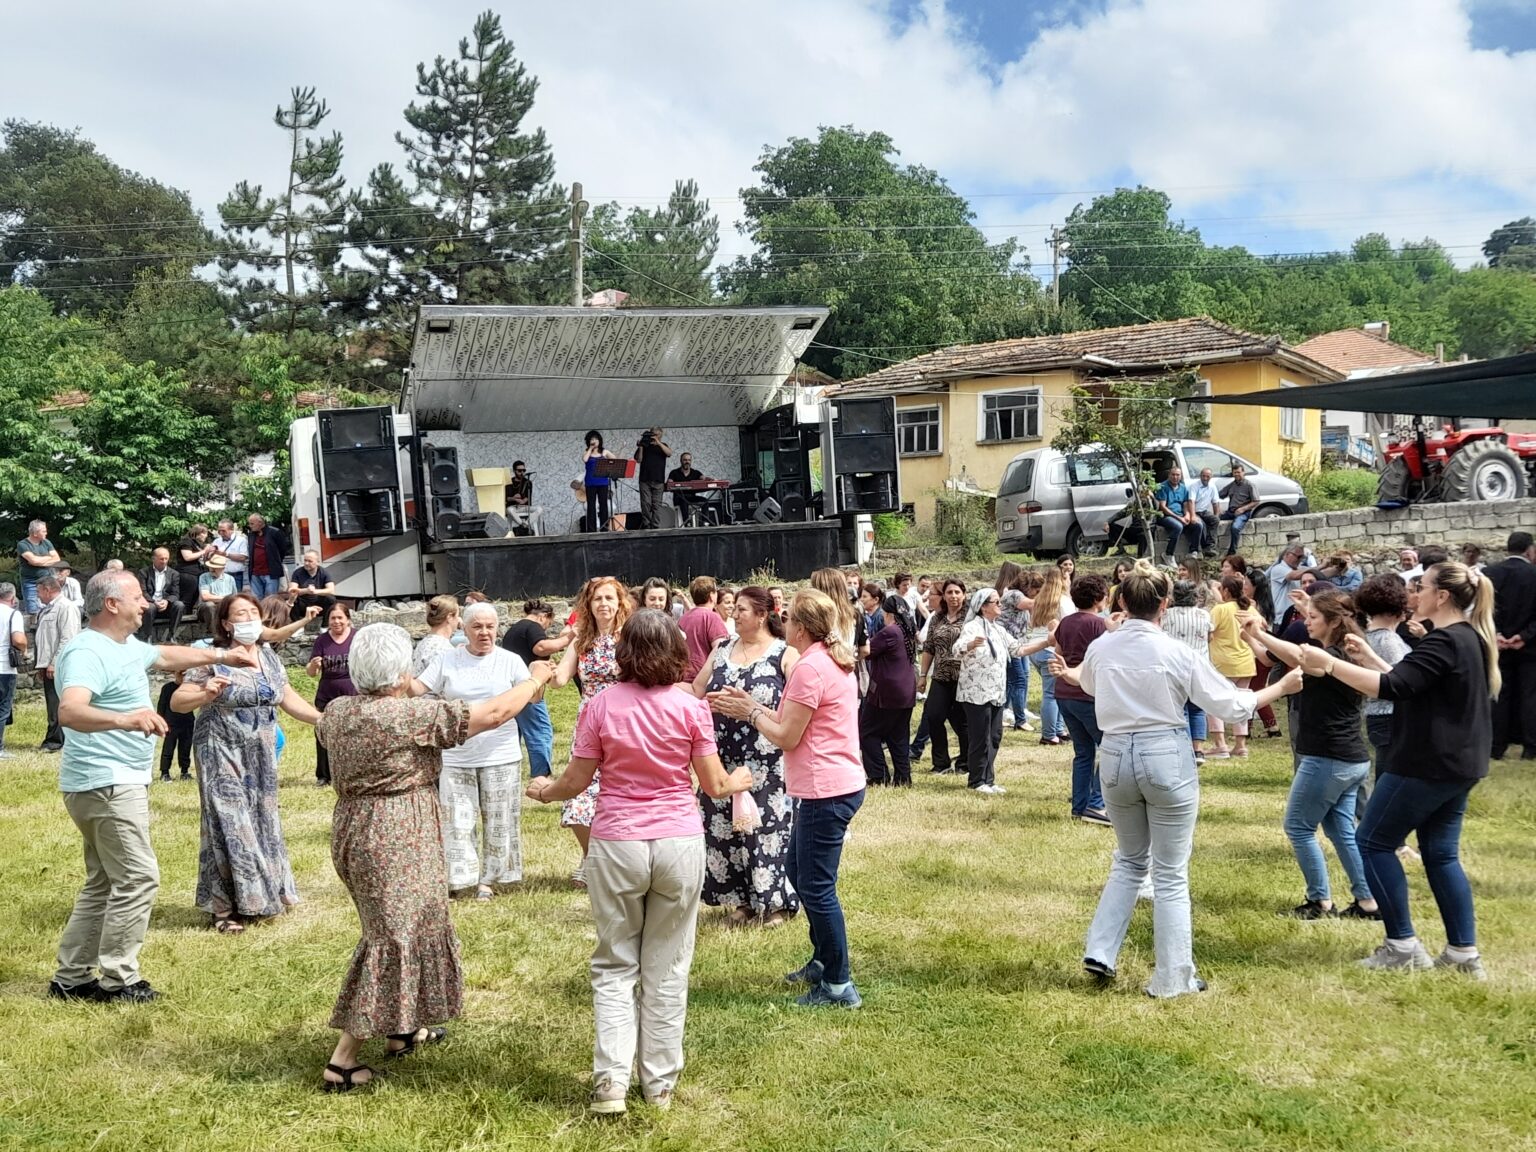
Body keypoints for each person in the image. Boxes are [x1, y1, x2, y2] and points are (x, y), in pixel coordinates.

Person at [315, 622, 553, 1090]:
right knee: (394, 936)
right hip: (398, 833)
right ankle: (342, 1061)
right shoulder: (407, 716)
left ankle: (403, 1029)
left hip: (355, 827)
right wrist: (534, 679)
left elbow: (319, 724)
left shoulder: (340, 710)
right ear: (402, 672)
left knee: (411, 924)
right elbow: (494, 713)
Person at [530, 610, 751, 1113]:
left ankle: (611, 1081)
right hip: (678, 841)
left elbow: (576, 781)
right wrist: (739, 781)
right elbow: (714, 784)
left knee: (614, 964)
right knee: (667, 966)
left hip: (617, 842)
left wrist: (544, 791)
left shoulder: (601, 705)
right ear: (677, 652)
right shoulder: (690, 707)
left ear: (623, 652)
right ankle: (659, 1085)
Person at [1051, 561, 1301, 998]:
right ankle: (1171, 977)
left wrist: (1088, 666)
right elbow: (1228, 704)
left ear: (1122, 601)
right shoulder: (1175, 651)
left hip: (1116, 754)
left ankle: (1101, 950)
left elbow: (1089, 684)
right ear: (1164, 605)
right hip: (1163, 751)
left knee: (1129, 860)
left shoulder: (1104, 647)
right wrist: (1280, 688)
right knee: (1168, 873)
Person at [49, 569, 259, 1004]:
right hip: (106, 782)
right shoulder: (86, 651)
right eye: (138, 597)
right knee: (138, 878)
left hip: (110, 782)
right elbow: (70, 711)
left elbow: (165, 655)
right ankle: (120, 980)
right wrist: (127, 719)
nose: (145, 603)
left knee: (105, 882)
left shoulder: (125, 646)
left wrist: (223, 656)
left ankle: (70, 979)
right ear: (112, 604)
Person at [1295, 562, 1496, 977]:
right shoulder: (1468, 638)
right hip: (1459, 762)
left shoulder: (1443, 641)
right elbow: (1410, 683)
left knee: (1371, 842)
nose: (1412, 595)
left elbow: (1392, 688)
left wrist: (1329, 663)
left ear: (1442, 596)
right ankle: (1463, 954)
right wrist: (1369, 656)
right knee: (1440, 854)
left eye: (1420, 587)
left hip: (1426, 762)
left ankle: (1401, 946)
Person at [710, 589, 867, 1009]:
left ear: (801, 627)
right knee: (798, 873)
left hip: (825, 790)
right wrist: (751, 703)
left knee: (817, 888)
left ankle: (839, 985)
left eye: (790, 617)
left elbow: (786, 736)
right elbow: (787, 719)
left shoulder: (810, 667)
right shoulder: (827, 659)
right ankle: (823, 961)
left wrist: (748, 713)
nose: (785, 623)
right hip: (834, 784)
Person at [173, 592, 322, 933]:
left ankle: (266, 893)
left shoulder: (268, 656)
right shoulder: (213, 657)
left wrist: (322, 719)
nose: (249, 618)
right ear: (226, 623)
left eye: (253, 612)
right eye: (241, 614)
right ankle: (225, 909)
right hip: (220, 750)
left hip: (261, 756)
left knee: (261, 819)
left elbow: (287, 698)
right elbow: (179, 701)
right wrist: (205, 693)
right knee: (231, 822)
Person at [1243, 594, 1380, 921]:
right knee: (1341, 830)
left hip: (1328, 758)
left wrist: (1259, 633)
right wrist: (1255, 634)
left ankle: (1320, 902)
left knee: (1298, 826)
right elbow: (1295, 653)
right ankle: (1368, 902)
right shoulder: (1346, 652)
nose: (1306, 621)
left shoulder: (1330, 657)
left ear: (1333, 622)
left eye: (1313, 617)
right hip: (1350, 757)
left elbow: (1298, 655)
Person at [681, 586, 800, 925]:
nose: (734, 614)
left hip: (766, 758)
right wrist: (657, 687)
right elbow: (696, 689)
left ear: (762, 615)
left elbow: (796, 707)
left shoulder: (785, 654)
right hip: (721, 755)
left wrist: (753, 709)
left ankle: (776, 903)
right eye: (733, 608)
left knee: (766, 828)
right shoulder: (721, 649)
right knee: (724, 827)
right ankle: (743, 900)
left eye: (742, 609)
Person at [415, 602, 539, 900]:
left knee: (499, 820)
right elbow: (418, 689)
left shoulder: (510, 661)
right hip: (456, 754)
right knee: (457, 820)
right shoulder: (447, 659)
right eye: (477, 627)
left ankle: (489, 880)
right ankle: (460, 879)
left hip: (500, 753)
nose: (484, 632)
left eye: (490, 627)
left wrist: (538, 676)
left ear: (497, 629)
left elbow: (533, 697)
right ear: (465, 629)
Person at [554, 576, 631, 884]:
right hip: (589, 723)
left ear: (620, 603)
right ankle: (591, 857)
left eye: (609, 598)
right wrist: (539, 672)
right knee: (579, 794)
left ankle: (620, 860)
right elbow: (560, 678)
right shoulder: (581, 640)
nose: (603, 604)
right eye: (598, 598)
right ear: (589, 604)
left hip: (624, 722)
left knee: (620, 792)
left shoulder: (629, 638)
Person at [953, 587, 1054, 793]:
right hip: (976, 692)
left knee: (995, 736)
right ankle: (976, 781)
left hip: (996, 692)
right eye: (996, 602)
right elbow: (956, 649)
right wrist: (971, 645)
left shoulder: (998, 629)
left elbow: (1018, 649)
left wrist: (1046, 642)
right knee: (980, 737)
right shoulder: (972, 627)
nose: (1000, 605)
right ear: (983, 607)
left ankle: (988, 779)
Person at [1053, 574, 1111, 824]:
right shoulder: (1100, 625)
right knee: (1110, 748)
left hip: (1064, 693)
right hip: (1088, 692)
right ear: (1099, 599)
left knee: (1083, 752)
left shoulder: (1066, 622)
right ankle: (1097, 804)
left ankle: (1079, 806)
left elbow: (1058, 651)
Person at [501, 600, 570, 779]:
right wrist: (568, 639)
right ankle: (541, 775)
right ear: (543, 617)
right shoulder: (533, 626)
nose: (546, 629)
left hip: (510, 690)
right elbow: (541, 647)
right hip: (529, 691)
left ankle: (509, 773)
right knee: (540, 732)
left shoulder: (513, 630)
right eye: (548, 624)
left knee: (513, 732)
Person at [1486, 530, 1536, 760]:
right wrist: (1523, 636)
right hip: (1530, 645)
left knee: (1499, 693)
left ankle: (1496, 745)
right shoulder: (1533, 574)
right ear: (1529, 550)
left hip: (1498, 644)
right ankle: (1530, 747)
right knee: (1530, 694)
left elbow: (1483, 610)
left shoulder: (1489, 573)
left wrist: (1496, 634)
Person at [861, 592, 918, 787]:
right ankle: (903, 777)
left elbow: (867, 651)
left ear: (888, 614)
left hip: (887, 692)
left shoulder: (890, 632)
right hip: (905, 691)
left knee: (867, 732)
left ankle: (879, 775)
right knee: (898, 736)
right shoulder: (907, 630)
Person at [918, 579, 971, 776]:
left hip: (963, 677)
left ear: (964, 595)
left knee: (962, 721)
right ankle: (941, 763)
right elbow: (929, 648)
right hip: (941, 676)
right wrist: (923, 675)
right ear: (944, 596)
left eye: (957, 592)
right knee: (933, 715)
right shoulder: (937, 618)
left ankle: (965, 761)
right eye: (949, 592)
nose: (953, 596)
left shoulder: (971, 618)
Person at [1206, 574, 1260, 760]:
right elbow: (1262, 626)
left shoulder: (1220, 609)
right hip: (1246, 661)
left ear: (1226, 591)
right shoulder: (1249, 609)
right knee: (1242, 703)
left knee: (1214, 702)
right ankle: (1240, 745)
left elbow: (1208, 632)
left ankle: (1220, 744)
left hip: (1223, 662)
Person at [1161, 581, 1215, 763]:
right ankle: (1198, 749)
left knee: (1180, 707)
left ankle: (1184, 746)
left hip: (1175, 666)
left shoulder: (1167, 615)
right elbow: (1210, 637)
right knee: (1198, 708)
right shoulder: (1204, 614)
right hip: (1199, 665)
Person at [306, 603, 357, 786]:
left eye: (340, 618)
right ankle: (324, 775)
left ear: (347, 619)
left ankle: (351, 771)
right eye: (333, 618)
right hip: (327, 694)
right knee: (323, 732)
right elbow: (311, 673)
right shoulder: (322, 640)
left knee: (352, 733)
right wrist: (314, 665)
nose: (336, 622)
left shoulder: (357, 637)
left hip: (353, 694)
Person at [33, 575, 80, 753]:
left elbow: (68, 638)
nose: (37, 595)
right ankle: (55, 738)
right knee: (52, 703)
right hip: (48, 665)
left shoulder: (66, 607)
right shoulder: (48, 609)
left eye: (39, 591)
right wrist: (41, 664)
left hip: (60, 665)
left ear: (47, 590)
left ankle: (55, 741)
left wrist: (54, 663)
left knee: (57, 703)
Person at [1025, 566, 1070, 745]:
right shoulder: (1063, 600)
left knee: (1053, 692)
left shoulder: (1039, 599)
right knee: (1051, 694)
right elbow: (1070, 622)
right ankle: (1049, 734)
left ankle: (1058, 729)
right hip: (1051, 649)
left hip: (1035, 648)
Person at [679, 575, 727, 680]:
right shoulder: (712, 617)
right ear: (711, 596)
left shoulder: (683, 618)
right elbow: (721, 649)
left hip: (683, 675)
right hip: (703, 678)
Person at [1155, 466, 1204, 562]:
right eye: (1173, 474)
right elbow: (1163, 507)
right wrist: (1179, 518)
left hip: (1180, 515)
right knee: (1178, 526)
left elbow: (1185, 504)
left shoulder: (1183, 488)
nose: (1175, 477)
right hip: (1165, 516)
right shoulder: (1163, 487)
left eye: (1177, 475)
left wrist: (1187, 515)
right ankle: (1168, 554)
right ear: (1169, 475)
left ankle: (1193, 552)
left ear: (1181, 476)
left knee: (1198, 525)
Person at [136, 548, 184, 641]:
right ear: (153, 559)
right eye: (161, 559)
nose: (164, 561)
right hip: (151, 603)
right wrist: (153, 601)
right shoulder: (144, 572)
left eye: (166, 558)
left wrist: (167, 601)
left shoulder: (174, 574)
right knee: (150, 607)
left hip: (166, 605)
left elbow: (175, 594)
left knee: (179, 605)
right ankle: (147, 637)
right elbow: (143, 592)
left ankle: (172, 636)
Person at [633, 426, 673, 530]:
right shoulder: (645, 445)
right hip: (644, 480)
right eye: (652, 434)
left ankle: (655, 527)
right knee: (645, 504)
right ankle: (647, 525)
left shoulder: (663, 445)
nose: (653, 436)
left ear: (660, 435)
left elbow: (669, 453)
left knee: (657, 505)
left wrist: (658, 443)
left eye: (655, 434)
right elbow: (638, 460)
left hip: (659, 480)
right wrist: (641, 447)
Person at [18, 520, 62, 613]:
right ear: (35, 533)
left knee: (52, 606)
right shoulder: (23, 544)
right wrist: (48, 558)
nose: (46, 533)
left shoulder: (46, 542)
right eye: (43, 531)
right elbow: (34, 561)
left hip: (47, 579)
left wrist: (39, 561)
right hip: (30, 582)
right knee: (32, 609)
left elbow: (57, 558)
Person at [0, 583, 24, 758]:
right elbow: (18, 639)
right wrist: (24, 649)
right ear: (12, 597)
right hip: (4, 667)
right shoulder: (13, 614)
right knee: (3, 708)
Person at [155, 674, 194, 782]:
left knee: (185, 748)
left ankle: (185, 772)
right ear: (175, 673)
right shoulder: (167, 688)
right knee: (168, 748)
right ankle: (165, 772)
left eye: (185, 673)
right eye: (180, 673)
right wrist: (160, 722)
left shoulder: (189, 687)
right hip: (171, 724)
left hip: (187, 722)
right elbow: (161, 705)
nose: (182, 675)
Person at [1266, 543, 1313, 627]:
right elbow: (1294, 575)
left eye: (1302, 557)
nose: (1300, 560)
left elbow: (1320, 573)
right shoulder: (1278, 568)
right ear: (1287, 554)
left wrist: (1333, 568)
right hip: (1282, 621)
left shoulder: (1299, 569)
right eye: (1298, 557)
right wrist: (1320, 567)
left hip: (1295, 619)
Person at [413, 596, 461, 676]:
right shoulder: (444, 650)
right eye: (457, 616)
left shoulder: (423, 643)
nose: (459, 619)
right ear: (449, 617)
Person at [245, 514, 289, 600]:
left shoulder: (275, 532)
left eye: (252, 523)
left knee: (271, 599)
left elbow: (283, 549)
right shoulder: (251, 535)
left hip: (270, 572)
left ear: (260, 522)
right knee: (256, 599)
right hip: (255, 573)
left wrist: (275, 561)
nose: (250, 526)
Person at [1220, 464, 1260, 556]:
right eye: (1235, 473)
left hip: (1244, 513)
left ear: (1243, 472)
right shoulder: (1232, 485)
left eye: (1238, 472)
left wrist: (1243, 509)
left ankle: (1232, 552)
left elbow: (1256, 501)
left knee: (1235, 527)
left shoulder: (1250, 485)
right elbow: (1219, 495)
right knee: (1213, 519)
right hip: (1231, 512)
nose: (1236, 474)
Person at [175, 524, 214, 615]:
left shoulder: (198, 544)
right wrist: (204, 551)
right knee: (186, 598)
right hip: (187, 573)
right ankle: (181, 617)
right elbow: (187, 557)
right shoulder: (186, 541)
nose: (206, 536)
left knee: (193, 599)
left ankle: (188, 615)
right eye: (204, 533)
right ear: (198, 533)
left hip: (198, 574)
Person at [583, 430, 617, 533]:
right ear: (588, 441)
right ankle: (591, 530)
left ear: (599, 440)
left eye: (596, 439)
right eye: (592, 439)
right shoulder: (586, 452)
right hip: (590, 483)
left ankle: (604, 528)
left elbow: (615, 460)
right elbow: (585, 459)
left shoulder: (604, 452)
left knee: (603, 505)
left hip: (603, 482)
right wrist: (590, 449)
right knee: (591, 506)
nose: (594, 441)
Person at [287, 551, 337, 621]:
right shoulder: (297, 572)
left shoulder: (324, 572)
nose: (306, 563)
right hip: (303, 604)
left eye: (310, 561)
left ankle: (325, 625)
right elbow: (292, 590)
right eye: (305, 560)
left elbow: (331, 590)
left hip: (319, 604)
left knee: (331, 599)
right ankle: (297, 625)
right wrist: (306, 591)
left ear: (317, 562)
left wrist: (315, 591)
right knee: (293, 599)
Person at [195, 554, 237, 631]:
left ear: (223, 568)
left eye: (215, 568)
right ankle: (213, 632)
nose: (212, 569)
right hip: (206, 609)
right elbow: (205, 597)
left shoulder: (230, 579)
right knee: (209, 605)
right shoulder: (204, 577)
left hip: (223, 607)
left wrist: (221, 600)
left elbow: (234, 598)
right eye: (210, 567)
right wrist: (225, 598)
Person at [503, 460, 544, 536]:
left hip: (525, 506)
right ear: (514, 471)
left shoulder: (528, 482)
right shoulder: (509, 482)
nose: (522, 472)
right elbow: (506, 498)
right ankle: (523, 524)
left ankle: (525, 524)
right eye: (519, 471)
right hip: (513, 507)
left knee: (540, 509)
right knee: (509, 510)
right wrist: (514, 498)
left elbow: (528, 497)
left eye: (523, 470)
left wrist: (522, 501)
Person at [209, 520, 249, 591]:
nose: (221, 533)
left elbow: (243, 557)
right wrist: (210, 553)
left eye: (223, 531)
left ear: (231, 530)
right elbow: (210, 557)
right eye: (219, 531)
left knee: (235, 597)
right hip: (219, 575)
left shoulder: (241, 540)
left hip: (235, 576)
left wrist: (226, 554)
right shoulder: (217, 541)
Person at [1190, 467, 1222, 556]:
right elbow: (1191, 501)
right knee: (1201, 525)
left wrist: (1216, 515)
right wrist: (1193, 515)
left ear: (1211, 477)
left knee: (1215, 520)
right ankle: (1201, 549)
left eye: (1207, 476)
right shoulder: (1194, 486)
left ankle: (1210, 547)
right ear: (1200, 476)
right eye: (1203, 476)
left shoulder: (1212, 486)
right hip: (1195, 511)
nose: (1205, 478)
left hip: (1204, 511)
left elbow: (1215, 503)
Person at [668, 451, 706, 522]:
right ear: (681, 461)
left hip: (691, 498)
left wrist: (709, 479)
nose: (687, 462)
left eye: (689, 460)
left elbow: (704, 479)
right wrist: (671, 483)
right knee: (684, 501)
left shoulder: (695, 472)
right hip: (679, 498)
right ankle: (686, 524)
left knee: (705, 501)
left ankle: (705, 523)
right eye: (685, 460)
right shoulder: (674, 472)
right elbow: (669, 483)